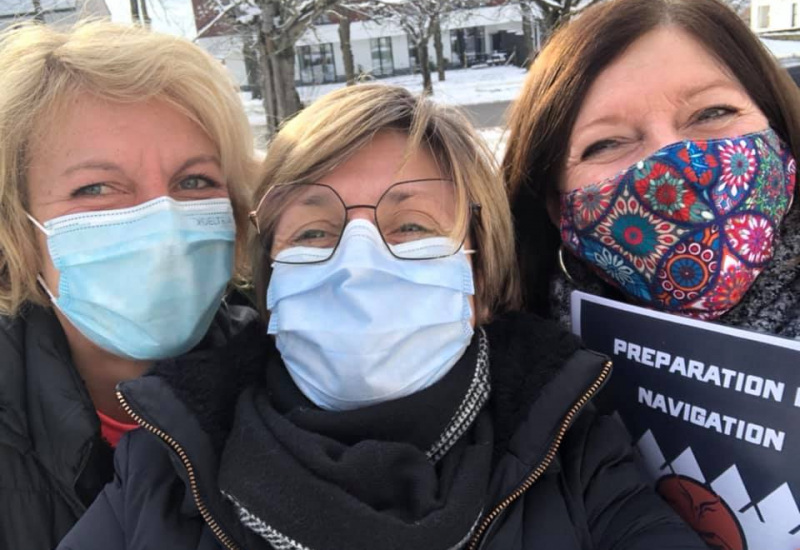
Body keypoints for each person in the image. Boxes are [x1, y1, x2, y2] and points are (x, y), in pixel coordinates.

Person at [57, 84, 705, 550]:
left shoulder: (573, 454)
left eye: (412, 226)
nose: (359, 260)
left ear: (478, 277)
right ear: (270, 275)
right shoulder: (165, 464)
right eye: (314, 231)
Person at [0, 20, 257, 549]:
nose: (162, 225)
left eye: (195, 181)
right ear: (17, 229)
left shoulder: (289, 388)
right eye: (95, 187)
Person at [504, 0, 799, 338]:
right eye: (605, 144)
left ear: (776, 123)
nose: (675, 167)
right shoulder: (511, 364)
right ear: (557, 206)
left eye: (712, 113)